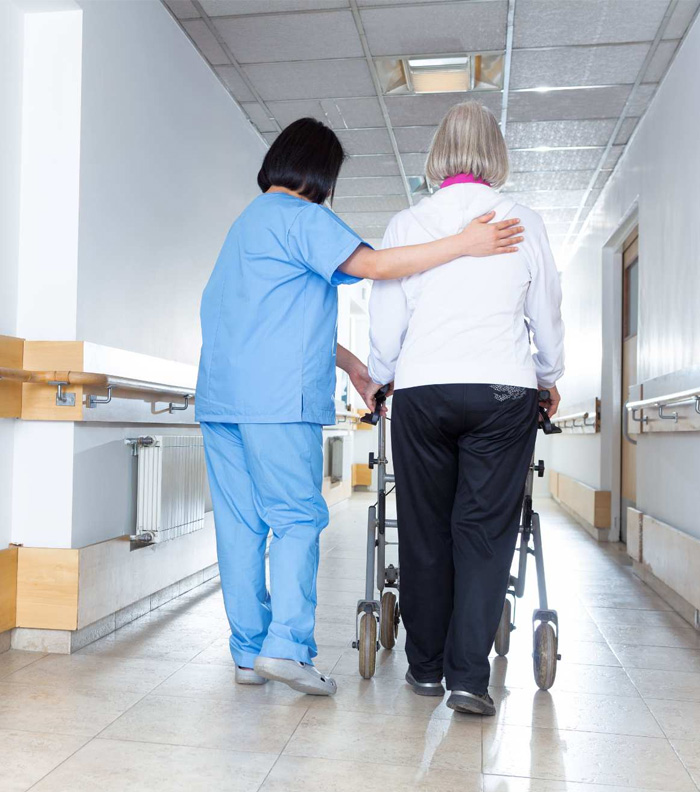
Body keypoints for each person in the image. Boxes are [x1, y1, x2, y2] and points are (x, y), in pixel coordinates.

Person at [195, 117, 524, 696]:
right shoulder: (302, 217)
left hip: (222, 399)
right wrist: (465, 244)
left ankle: (248, 652)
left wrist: (351, 366)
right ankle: (287, 650)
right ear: (321, 172)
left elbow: (270, 322)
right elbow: (375, 266)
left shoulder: (243, 227)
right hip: (277, 403)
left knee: (241, 526)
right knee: (297, 518)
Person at [367, 101, 565, 715]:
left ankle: (424, 669)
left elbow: (385, 321)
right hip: (503, 391)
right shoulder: (524, 220)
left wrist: (379, 378)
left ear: (436, 155)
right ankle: (468, 679)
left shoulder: (407, 223)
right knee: (483, 532)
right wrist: (549, 376)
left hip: (423, 391)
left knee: (425, 528)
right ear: (496, 154)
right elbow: (547, 314)